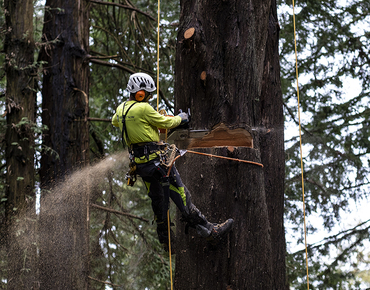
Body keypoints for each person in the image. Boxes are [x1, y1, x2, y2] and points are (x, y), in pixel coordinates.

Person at [112, 72, 233, 250]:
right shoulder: (143, 108)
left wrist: (143, 125)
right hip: (159, 164)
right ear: (140, 93)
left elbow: (116, 122)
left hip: (141, 167)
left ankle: (166, 240)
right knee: (182, 196)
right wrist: (182, 118)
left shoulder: (121, 110)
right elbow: (167, 124)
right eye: (148, 94)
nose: (149, 98)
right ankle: (209, 232)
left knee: (158, 200)